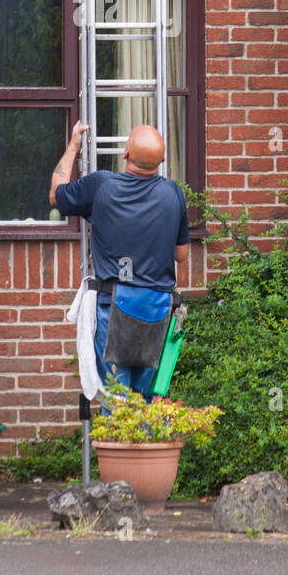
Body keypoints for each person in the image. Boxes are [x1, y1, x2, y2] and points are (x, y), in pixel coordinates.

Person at [50, 122, 189, 399]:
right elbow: (181, 255)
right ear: (162, 161)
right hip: (158, 308)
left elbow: (56, 194)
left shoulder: (102, 186)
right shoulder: (173, 193)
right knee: (148, 400)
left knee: (116, 401)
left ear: (125, 154)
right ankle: (149, 444)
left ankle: (116, 444)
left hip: (114, 305)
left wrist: (74, 145)